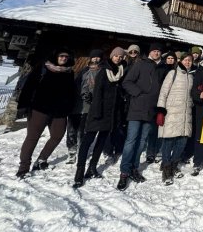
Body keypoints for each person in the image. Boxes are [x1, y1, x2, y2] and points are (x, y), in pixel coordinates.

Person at [16, 48, 76, 178]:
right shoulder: (43, 68)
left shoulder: (69, 72)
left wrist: (69, 107)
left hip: (59, 112)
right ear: (56, 56)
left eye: (66, 56)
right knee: (32, 138)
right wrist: (23, 105)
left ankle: (42, 159)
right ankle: (24, 167)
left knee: (57, 136)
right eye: (61, 55)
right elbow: (29, 86)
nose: (64, 58)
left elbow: (71, 93)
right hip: (39, 109)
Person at [73, 47, 125, 188]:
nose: (118, 58)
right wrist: (96, 112)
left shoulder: (120, 72)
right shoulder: (103, 71)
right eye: (116, 56)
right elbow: (97, 93)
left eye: (121, 57)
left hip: (111, 114)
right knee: (87, 141)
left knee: (101, 142)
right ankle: (80, 171)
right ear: (111, 56)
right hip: (98, 112)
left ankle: (92, 168)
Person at [117, 43, 166, 191]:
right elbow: (127, 82)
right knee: (131, 140)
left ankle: (134, 168)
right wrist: (138, 93)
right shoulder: (141, 64)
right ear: (150, 52)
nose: (156, 53)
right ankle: (124, 172)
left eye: (158, 51)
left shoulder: (162, 68)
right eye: (154, 51)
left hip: (151, 110)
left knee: (142, 141)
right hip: (137, 108)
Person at [156, 52, 195, 185]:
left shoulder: (192, 77)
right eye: (185, 60)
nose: (187, 62)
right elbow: (163, 92)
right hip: (171, 112)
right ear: (180, 61)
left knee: (182, 141)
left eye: (190, 60)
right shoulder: (172, 74)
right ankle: (166, 169)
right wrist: (161, 109)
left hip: (185, 114)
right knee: (168, 141)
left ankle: (173, 164)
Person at [66, 49, 102, 164]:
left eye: (98, 57)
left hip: (88, 105)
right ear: (90, 58)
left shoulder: (101, 72)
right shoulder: (82, 70)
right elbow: (74, 85)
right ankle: (71, 151)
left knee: (82, 130)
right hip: (76, 104)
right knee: (71, 129)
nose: (96, 59)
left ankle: (82, 150)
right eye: (94, 57)